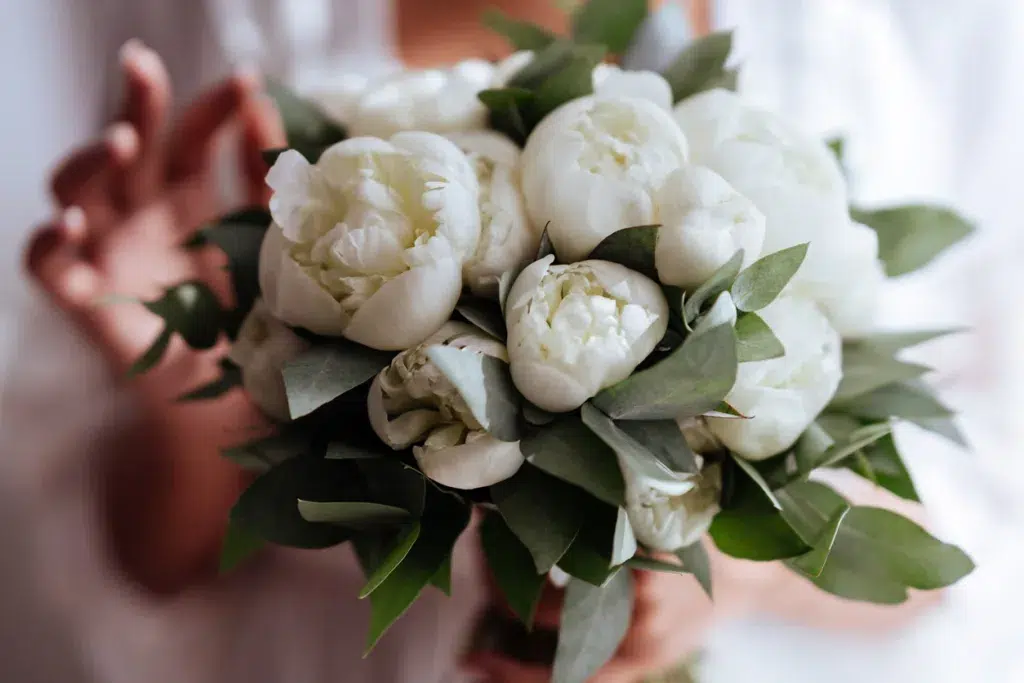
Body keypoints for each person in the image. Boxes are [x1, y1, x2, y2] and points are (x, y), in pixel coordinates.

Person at [4, 1, 1023, 682]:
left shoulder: (900, 36)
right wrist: (187, 387)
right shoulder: (237, 27)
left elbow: (982, 532)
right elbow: (156, 564)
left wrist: (731, 577)